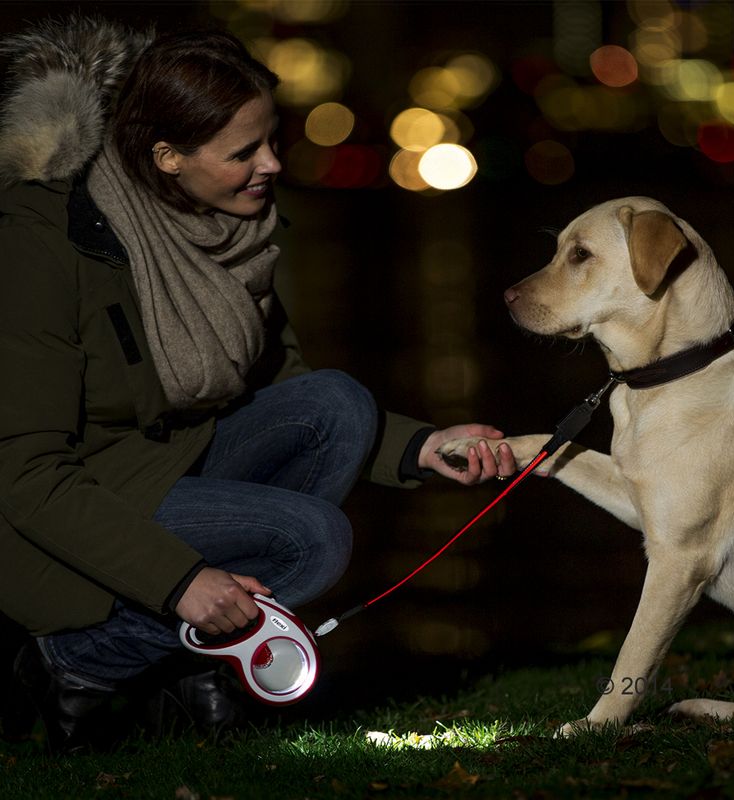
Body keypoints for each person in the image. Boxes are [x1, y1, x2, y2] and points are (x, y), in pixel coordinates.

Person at [0, 17, 516, 751]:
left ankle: (191, 662)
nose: (272, 164)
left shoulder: (230, 233)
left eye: (274, 141)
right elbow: (24, 475)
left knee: (336, 401)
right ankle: (74, 663)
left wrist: (422, 447)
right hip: (62, 508)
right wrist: (181, 583)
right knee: (312, 542)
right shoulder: (44, 241)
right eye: (244, 151)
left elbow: (285, 388)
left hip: (166, 470)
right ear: (168, 156)